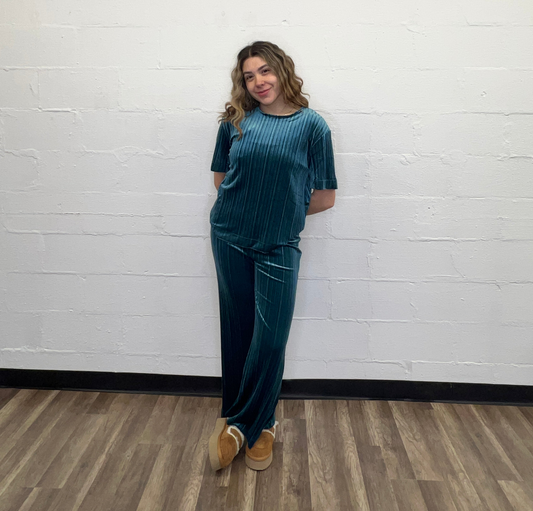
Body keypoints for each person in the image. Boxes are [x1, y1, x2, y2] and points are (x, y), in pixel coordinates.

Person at [208, 41, 337, 472]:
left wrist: (280, 212)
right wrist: (246, 208)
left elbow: (325, 197)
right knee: (238, 332)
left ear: (282, 70)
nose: (258, 81)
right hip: (229, 236)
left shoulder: (312, 126)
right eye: (249, 76)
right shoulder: (235, 121)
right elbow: (221, 180)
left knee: (271, 338)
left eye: (265, 71)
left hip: (279, 243)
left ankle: (245, 426)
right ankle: (256, 424)